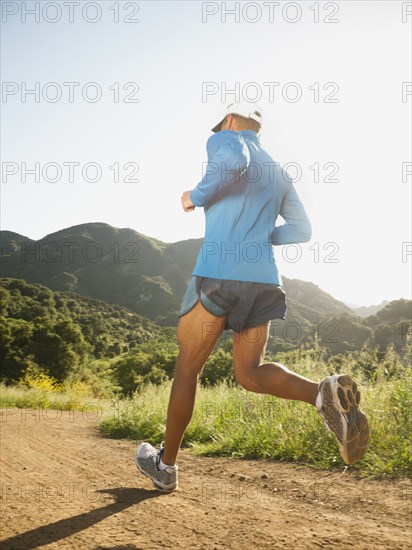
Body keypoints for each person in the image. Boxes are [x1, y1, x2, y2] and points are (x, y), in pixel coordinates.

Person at [136, 102, 370, 492]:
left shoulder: (226, 140)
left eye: (222, 129)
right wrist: (261, 238)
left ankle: (166, 466)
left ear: (229, 122)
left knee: (188, 369)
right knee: (250, 373)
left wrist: (193, 196)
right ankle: (323, 395)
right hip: (262, 281)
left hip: (217, 276)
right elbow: (301, 229)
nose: (219, 136)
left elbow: (232, 157)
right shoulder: (279, 171)